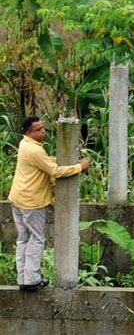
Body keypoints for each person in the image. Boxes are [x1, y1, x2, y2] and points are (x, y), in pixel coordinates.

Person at [9, 116, 90, 291]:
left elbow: (45, 163)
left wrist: (70, 161)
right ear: (29, 132)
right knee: (36, 239)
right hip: (32, 202)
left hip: (18, 198)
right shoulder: (35, 150)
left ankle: (23, 278)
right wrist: (79, 167)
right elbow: (55, 171)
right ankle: (31, 280)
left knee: (23, 239)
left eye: (43, 128)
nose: (43, 132)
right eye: (38, 130)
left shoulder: (26, 144)